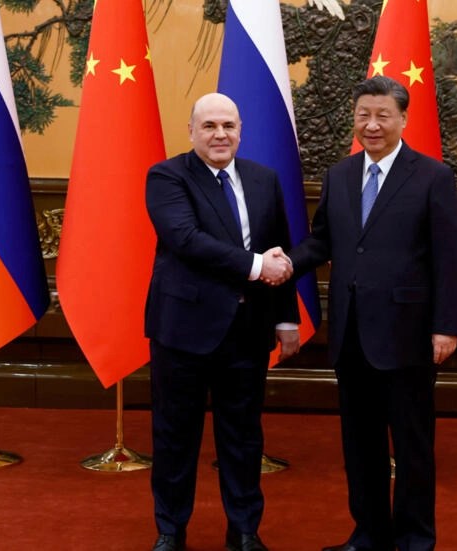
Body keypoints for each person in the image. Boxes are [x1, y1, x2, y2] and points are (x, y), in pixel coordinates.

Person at [288, 76, 457, 551]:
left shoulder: (432, 176)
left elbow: (449, 258)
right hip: (351, 334)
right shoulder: (339, 175)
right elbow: (322, 242)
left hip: (409, 335)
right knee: (360, 444)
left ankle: (414, 540)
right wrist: (283, 262)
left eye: (382, 115)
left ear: (403, 119)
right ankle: (368, 534)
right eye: (363, 115)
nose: (371, 125)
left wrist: (446, 325)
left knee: (412, 445)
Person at [144, 92, 300, 551]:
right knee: (175, 438)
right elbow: (186, 239)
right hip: (183, 331)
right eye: (209, 125)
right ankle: (171, 531)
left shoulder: (264, 179)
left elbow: (279, 248)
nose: (219, 134)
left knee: (244, 437)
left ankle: (245, 531)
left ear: (240, 131)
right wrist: (256, 266)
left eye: (228, 126)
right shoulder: (167, 176)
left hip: (247, 330)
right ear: (191, 131)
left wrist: (286, 319)